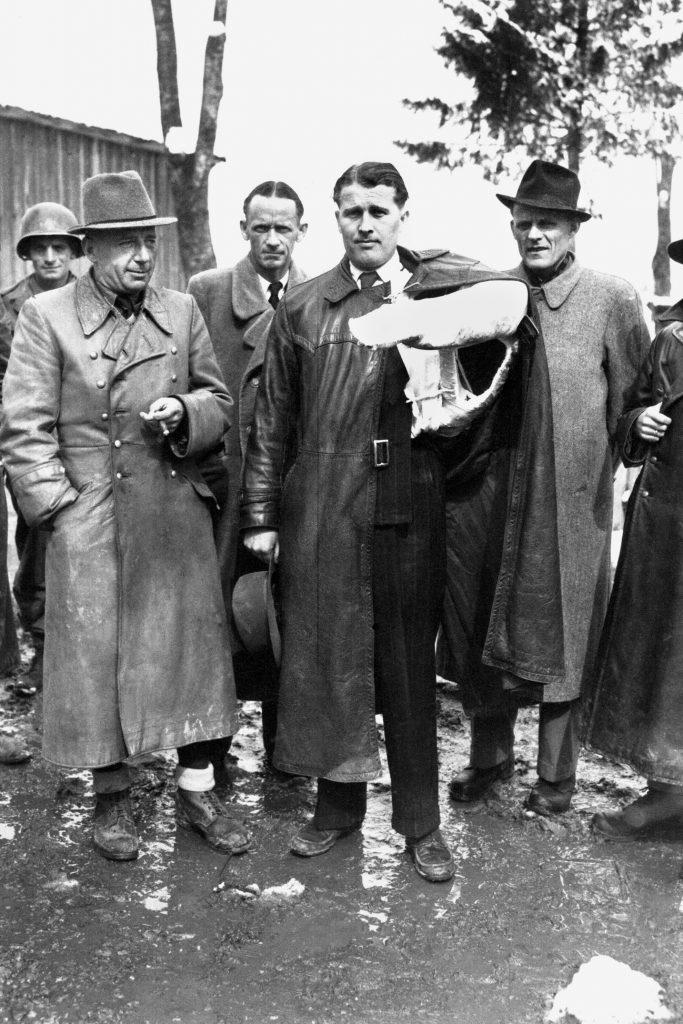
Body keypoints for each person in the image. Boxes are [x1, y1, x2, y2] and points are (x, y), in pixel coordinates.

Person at [240, 160, 562, 882]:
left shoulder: (438, 291)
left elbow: (507, 299)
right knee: (328, 659)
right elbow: (270, 422)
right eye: (351, 211)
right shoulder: (304, 307)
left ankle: (419, 826)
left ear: (401, 216)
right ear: (334, 219)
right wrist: (261, 516)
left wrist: (424, 274)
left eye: (378, 210)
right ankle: (335, 813)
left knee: (409, 666)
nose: (364, 223)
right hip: (324, 501)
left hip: (410, 499)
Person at [0, 170, 250, 862]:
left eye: (148, 240)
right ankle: (112, 800)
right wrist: (61, 513)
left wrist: (186, 415)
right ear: (90, 249)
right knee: (98, 660)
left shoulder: (180, 311)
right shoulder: (46, 317)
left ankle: (198, 789)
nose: (142, 254)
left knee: (192, 659)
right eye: (125, 242)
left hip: (174, 512)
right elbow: (23, 431)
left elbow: (219, 402)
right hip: (93, 518)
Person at [446, 159, 650, 816]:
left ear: (571, 229)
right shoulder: (491, 292)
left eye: (547, 224)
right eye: (523, 223)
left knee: (563, 629)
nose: (533, 235)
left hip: (568, 500)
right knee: (484, 621)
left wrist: (632, 432)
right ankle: (488, 762)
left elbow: (633, 402)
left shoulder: (610, 299)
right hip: (491, 489)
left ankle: (555, 782)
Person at [187, 181, 307, 771]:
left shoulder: (314, 295)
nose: (273, 240)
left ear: (302, 232)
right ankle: (209, 752)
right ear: (244, 231)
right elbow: (185, 382)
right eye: (262, 227)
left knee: (286, 614)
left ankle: (286, 753)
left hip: (291, 487)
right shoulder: (207, 292)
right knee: (218, 618)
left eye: (285, 227)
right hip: (223, 486)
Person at [587, 236, 683, 839]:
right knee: (663, 654)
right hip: (669, 522)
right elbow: (633, 415)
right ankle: (667, 791)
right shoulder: (671, 341)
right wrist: (639, 425)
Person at [1, 202, 83, 691]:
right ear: (28, 254)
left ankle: (82, 647)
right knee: (35, 546)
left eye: (59, 247)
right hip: (32, 447)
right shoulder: (7, 308)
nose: (50, 257)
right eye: (40, 248)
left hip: (85, 443)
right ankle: (42, 646)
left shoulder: (89, 299)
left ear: (74, 252)